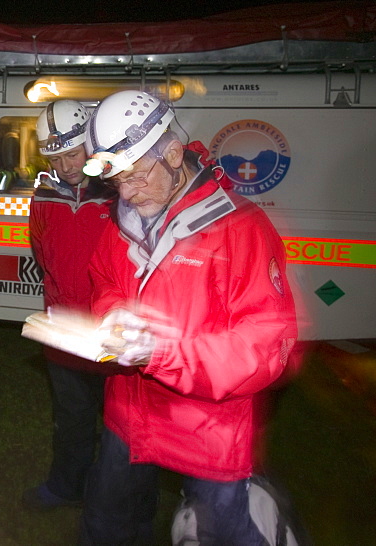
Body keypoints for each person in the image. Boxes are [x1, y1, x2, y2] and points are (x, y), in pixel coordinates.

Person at [78, 90, 299, 545]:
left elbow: (264, 346)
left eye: (138, 176)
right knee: (107, 526)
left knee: (219, 533)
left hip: (206, 429)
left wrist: (160, 352)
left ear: (174, 154)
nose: (128, 192)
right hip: (129, 415)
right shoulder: (122, 218)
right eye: (118, 181)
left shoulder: (241, 230)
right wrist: (114, 311)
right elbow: (104, 277)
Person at [22, 100, 115, 511]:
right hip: (64, 332)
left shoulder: (120, 192)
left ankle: (113, 497)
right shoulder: (43, 195)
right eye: (56, 157)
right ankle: (65, 486)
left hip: (112, 332)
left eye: (73, 154)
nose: (66, 165)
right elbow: (42, 254)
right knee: (71, 419)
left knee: (121, 425)